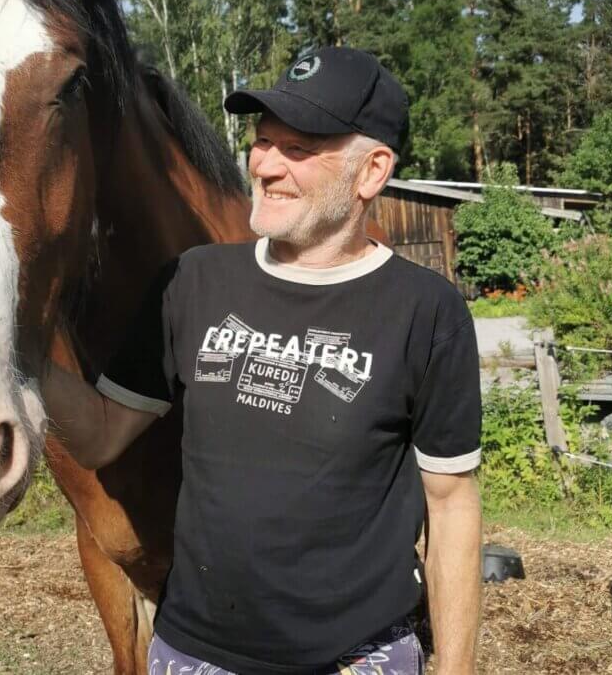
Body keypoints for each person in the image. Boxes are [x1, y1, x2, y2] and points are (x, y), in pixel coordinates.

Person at [41, 46, 483, 675]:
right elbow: (102, 434)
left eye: (298, 149)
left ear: (371, 171)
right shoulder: (192, 282)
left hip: (355, 658)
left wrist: (458, 669)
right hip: (193, 655)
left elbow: (451, 503)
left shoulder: (425, 312)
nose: (265, 165)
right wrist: (15, 353)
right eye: (261, 140)